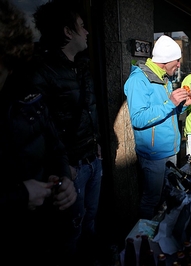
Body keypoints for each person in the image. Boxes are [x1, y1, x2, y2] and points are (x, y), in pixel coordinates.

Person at [0, 0, 77, 264]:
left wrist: (65, 178)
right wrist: (18, 196)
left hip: (48, 229)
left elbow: (54, 143)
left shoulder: (24, 87)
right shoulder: (42, 73)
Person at [32, 1, 103, 263]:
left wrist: (97, 143)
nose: (87, 32)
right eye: (82, 26)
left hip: (92, 158)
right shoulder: (42, 72)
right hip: (71, 168)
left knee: (90, 220)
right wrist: (62, 167)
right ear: (67, 31)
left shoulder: (82, 66)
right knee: (70, 232)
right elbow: (42, 130)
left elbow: (90, 108)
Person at [124, 35, 191, 219]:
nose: (179, 65)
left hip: (169, 151)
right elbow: (138, 119)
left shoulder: (164, 77)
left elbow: (168, 110)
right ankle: (144, 239)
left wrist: (184, 104)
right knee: (151, 199)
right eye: (177, 60)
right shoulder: (138, 80)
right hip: (154, 155)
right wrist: (171, 102)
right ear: (165, 61)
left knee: (166, 197)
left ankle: (160, 233)